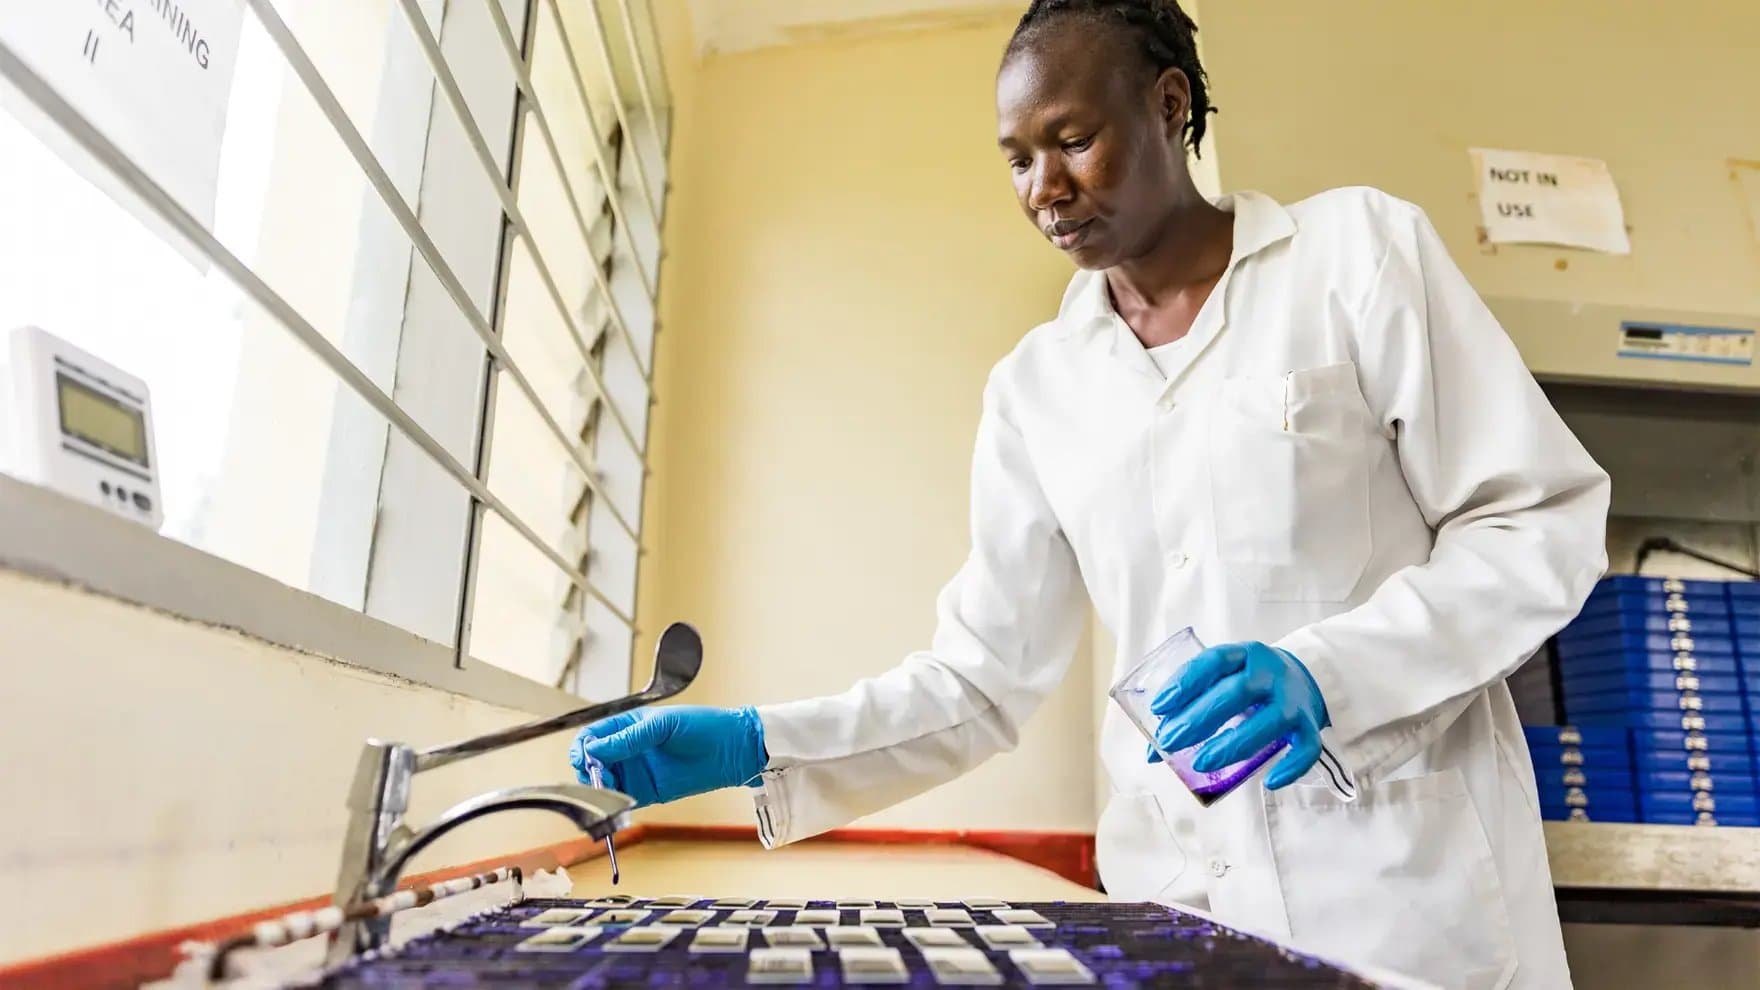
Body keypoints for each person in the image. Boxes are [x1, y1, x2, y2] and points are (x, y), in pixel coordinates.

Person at [568, 2, 1609, 986]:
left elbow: (1534, 523)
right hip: (1181, 898)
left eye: (1070, 140)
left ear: (1167, 106)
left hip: (1404, 897)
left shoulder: (1354, 256)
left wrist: (1328, 675)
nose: (1041, 187)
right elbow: (982, 680)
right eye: (1016, 159)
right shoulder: (1037, 388)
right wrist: (760, 742)